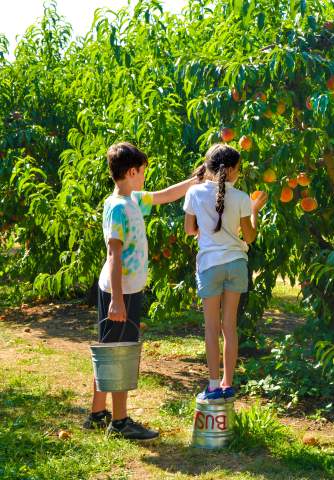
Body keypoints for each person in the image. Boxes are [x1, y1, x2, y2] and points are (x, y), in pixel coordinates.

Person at [82, 141, 200, 440]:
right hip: (120, 293)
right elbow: (114, 255)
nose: (145, 177)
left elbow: (164, 196)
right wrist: (118, 301)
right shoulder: (119, 208)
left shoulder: (131, 198)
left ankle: (97, 414)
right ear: (132, 171)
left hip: (124, 290)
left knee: (108, 351)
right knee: (119, 354)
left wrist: (195, 181)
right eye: (143, 172)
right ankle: (120, 422)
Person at [183, 143, 267, 401]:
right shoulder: (242, 197)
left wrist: (207, 230)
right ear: (230, 170)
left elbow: (189, 230)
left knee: (211, 328)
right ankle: (227, 383)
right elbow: (250, 237)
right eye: (239, 169)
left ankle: (212, 385)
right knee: (229, 327)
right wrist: (253, 210)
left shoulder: (194, 193)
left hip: (209, 265)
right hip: (236, 264)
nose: (239, 173)